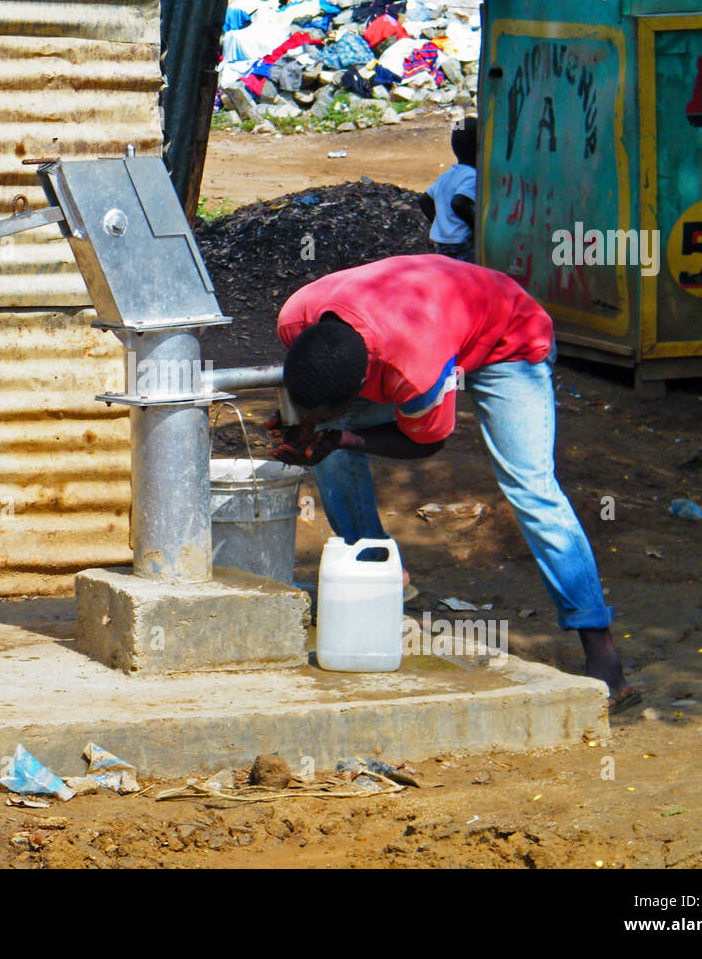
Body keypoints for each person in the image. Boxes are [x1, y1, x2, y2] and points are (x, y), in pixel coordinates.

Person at [268, 254, 639, 712]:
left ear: (366, 383)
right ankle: (377, 586)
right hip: (436, 319)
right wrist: (296, 421)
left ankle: (600, 648)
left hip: (508, 338)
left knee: (531, 487)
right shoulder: (296, 320)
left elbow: (425, 444)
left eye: (328, 409)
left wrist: (340, 435)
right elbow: (305, 392)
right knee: (327, 450)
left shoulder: (411, 368)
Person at [418, 116, 477, 262]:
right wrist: (476, 227)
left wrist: (441, 224)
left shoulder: (447, 175)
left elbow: (424, 199)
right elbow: (458, 203)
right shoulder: (472, 176)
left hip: (443, 243)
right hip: (462, 242)